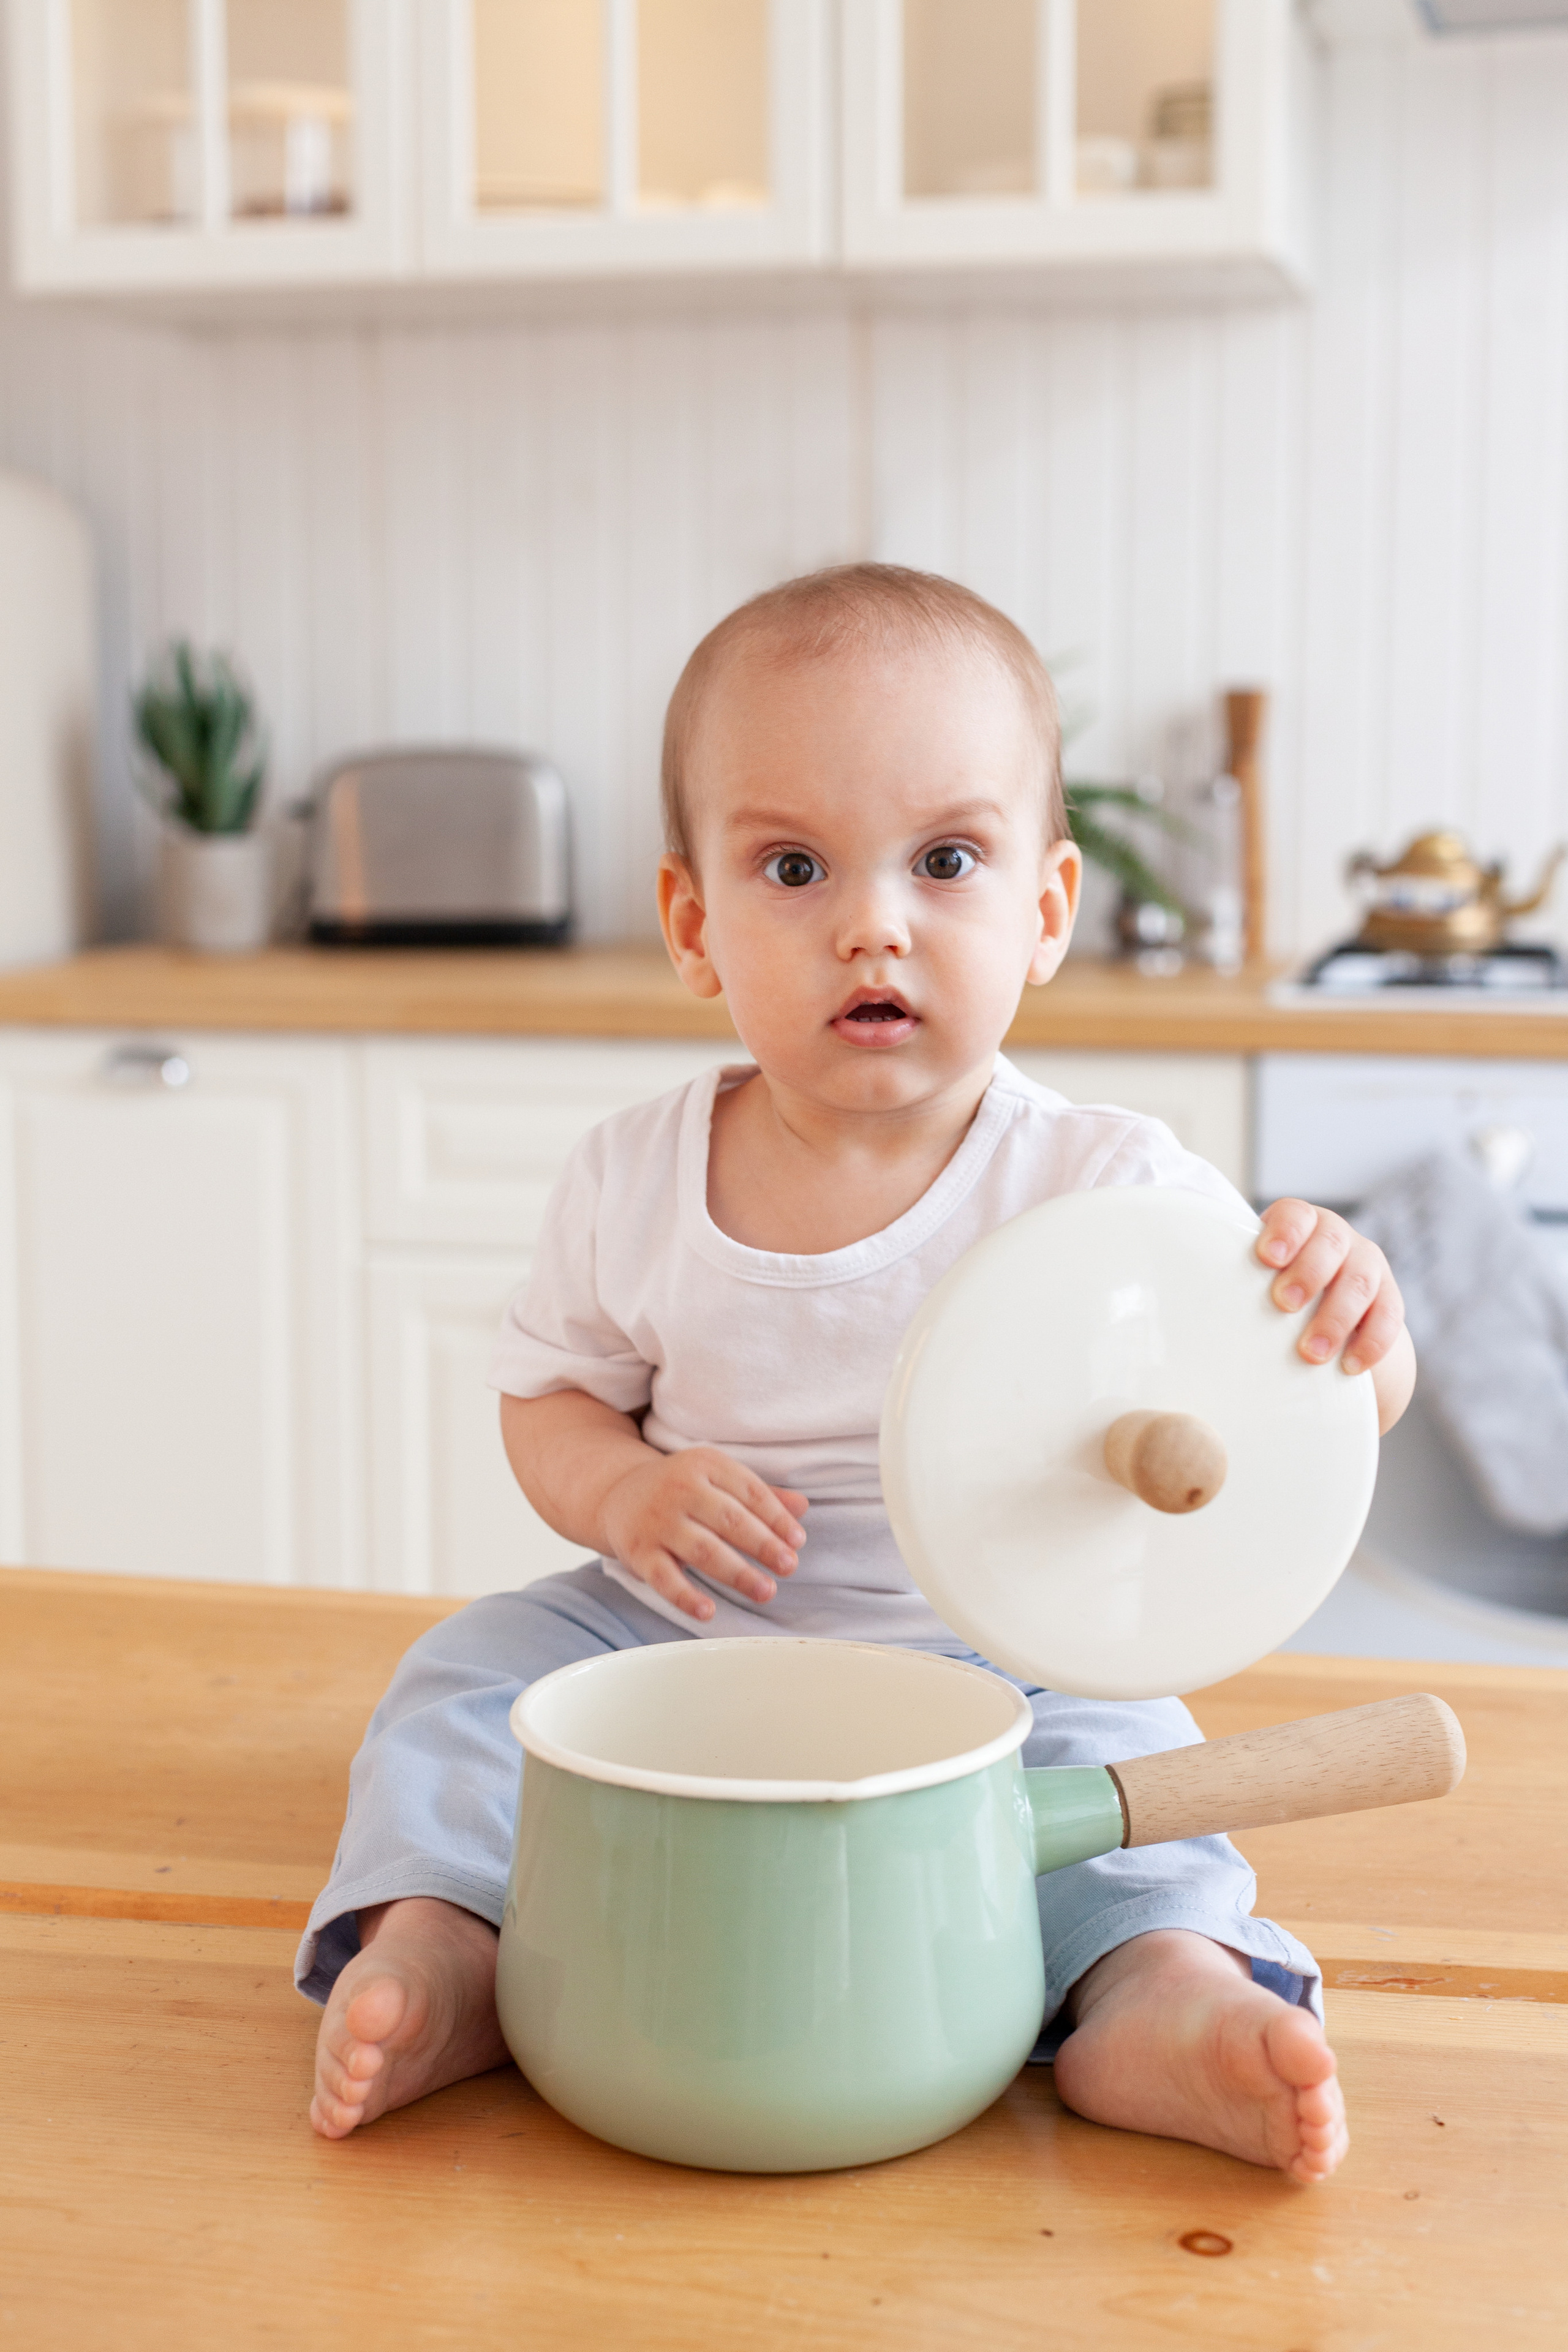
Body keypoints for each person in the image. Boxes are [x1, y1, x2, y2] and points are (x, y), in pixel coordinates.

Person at [298, 565, 1414, 2182]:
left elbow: (1306, 1416)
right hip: (691, 1634)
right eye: (795, 865)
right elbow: (547, 1401)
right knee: (468, 1682)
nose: (872, 921)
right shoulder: (634, 1176)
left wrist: (1359, 1333)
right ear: (695, 924)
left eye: (947, 860)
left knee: (1132, 1772)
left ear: (1045, 909)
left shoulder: (1110, 1185)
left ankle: (1156, 1995)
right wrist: (625, 1494)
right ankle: (452, 1946)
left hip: (1013, 1660)